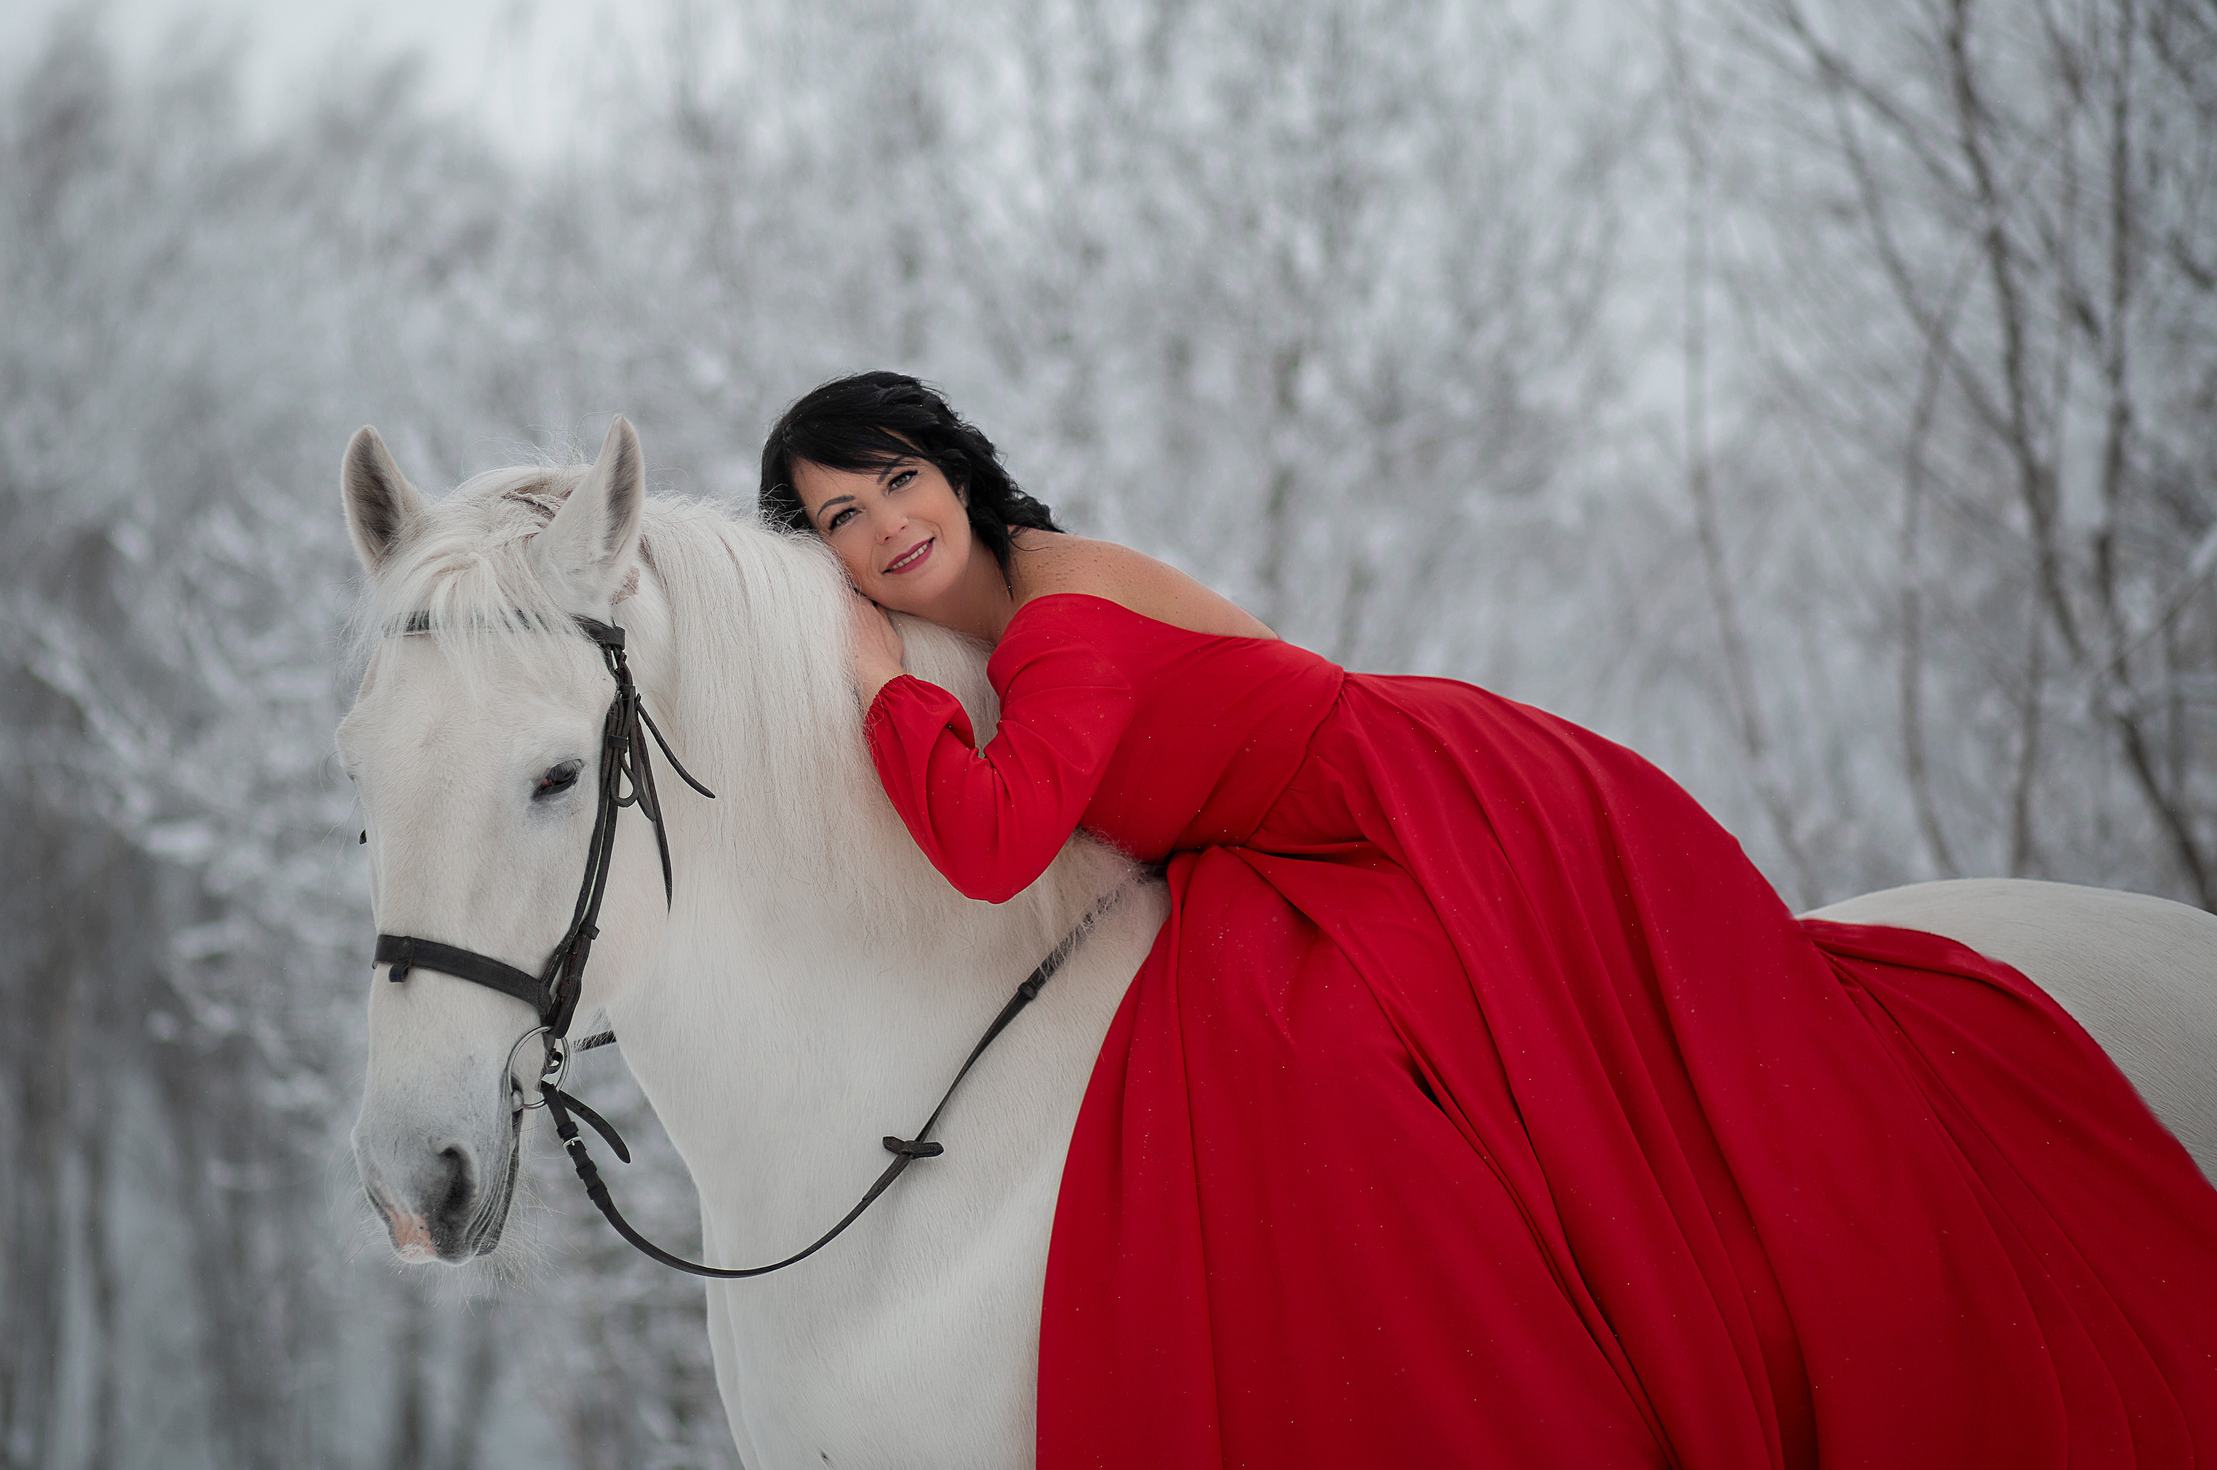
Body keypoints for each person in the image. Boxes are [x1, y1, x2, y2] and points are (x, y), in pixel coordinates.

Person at [758, 370, 2217, 1470]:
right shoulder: (1007, 623)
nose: (885, 526)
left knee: (1509, 1098)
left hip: (1410, 808)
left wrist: (878, 685)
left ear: (954, 471)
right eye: (841, 518)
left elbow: (996, 845)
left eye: (896, 480)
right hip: (1300, 836)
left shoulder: (1055, 621)